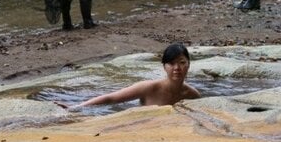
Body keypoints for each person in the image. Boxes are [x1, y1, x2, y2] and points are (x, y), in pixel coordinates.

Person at [58, 43, 200, 110]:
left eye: (181, 63)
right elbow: (112, 98)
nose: (177, 68)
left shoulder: (192, 95)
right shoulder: (149, 88)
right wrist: (75, 107)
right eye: (171, 63)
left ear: (189, 64)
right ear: (164, 66)